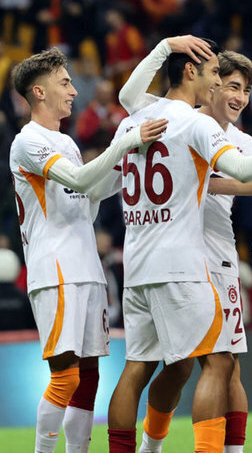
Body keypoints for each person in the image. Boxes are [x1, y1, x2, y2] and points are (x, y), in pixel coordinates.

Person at [106, 37, 252, 453]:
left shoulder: (139, 120)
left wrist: (163, 47)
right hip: (184, 263)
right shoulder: (195, 124)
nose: (227, 90)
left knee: (149, 366)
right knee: (217, 362)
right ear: (192, 73)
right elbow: (246, 171)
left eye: (243, 88)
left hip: (144, 261)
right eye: (220, 78)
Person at [116, 37, 252, 453]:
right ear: (204, 79)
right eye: (228, 82)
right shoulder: (185, 121)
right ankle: (155, 444)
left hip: (209, 260)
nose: (236, 95)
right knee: (195, 365)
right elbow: (129, 96)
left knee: (220, 365)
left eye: (245, 89)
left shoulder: (241, 141)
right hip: (182, 259)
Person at [9, 47, 166, 453]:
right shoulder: (27, 142)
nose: (74, 91)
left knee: (88, 375)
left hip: (87, 268)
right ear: (39, 92)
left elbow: (88, 195)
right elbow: (78, 180)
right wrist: (125, 141)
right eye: (65, 83)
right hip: (56, 270)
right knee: (65, 377)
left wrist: (127, 158)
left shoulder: (66, 141)